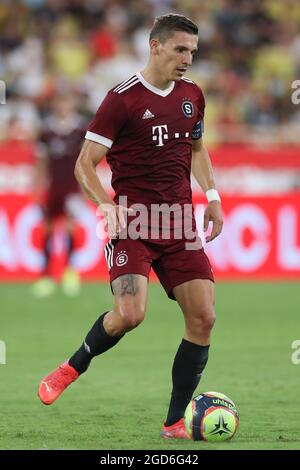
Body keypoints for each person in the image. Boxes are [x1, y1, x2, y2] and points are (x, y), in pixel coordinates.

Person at [38, 14, 223, 439]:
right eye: (180, 49)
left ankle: (174, 422)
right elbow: (84, 163)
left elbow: (197, 148)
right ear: (155, 46)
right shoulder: (121, 100)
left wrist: (212, 197)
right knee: (130, 315)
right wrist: (105, 205)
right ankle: (71, 367)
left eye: (193, 52)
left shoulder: (193, 95)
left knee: (204, 317)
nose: (188, 59)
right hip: (134, 224)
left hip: (179, 225)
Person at [32, 94, 86, 297]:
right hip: (53, 186)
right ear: (55, 104)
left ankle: (70, 272)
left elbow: (86, 160)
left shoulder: (81, 130)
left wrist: (85, 187)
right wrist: (37, 186)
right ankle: (46, 275)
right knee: (48, 227)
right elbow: (41, 162)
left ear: (72, 104)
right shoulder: (46, 131)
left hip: (72, 186)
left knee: (71, 226)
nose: (63, 106)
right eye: (60, 101)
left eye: (67, 101)